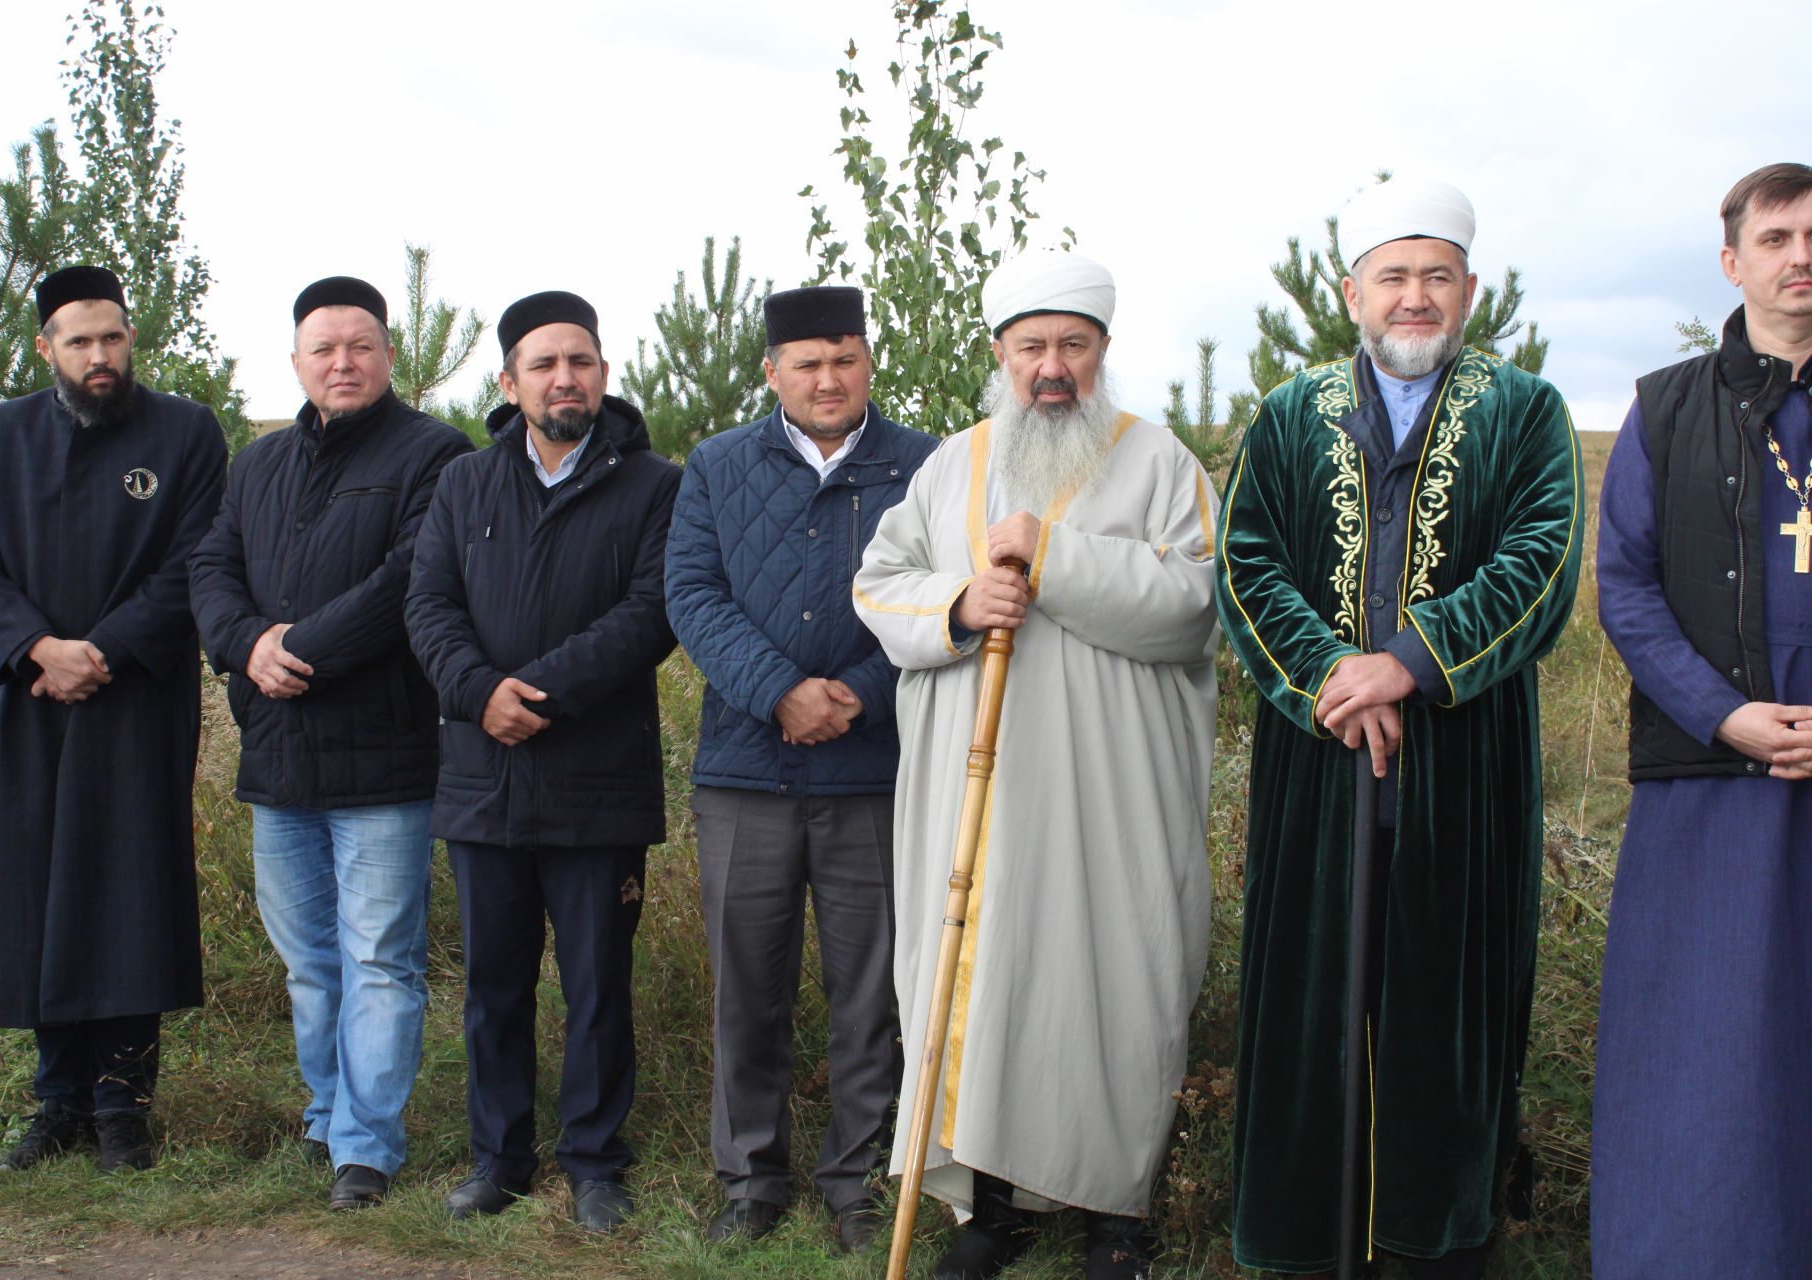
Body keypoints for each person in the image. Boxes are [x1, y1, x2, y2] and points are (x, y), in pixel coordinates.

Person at [1216, 178, 1584, 1278]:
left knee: (1443, 1007)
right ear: (1352, 292)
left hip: (1460, 763)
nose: (1415, 297)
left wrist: (1410, 664)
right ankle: (1303, 1241)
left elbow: (1542, 560)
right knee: (1310, 1002)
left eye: (1436, 277)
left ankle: (1433, 1242)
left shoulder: (1526, 412)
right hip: (1316, 760)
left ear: (1468, 289)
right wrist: (1334, 675)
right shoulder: (1290, 415)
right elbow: (1246, 564)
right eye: (1394, 276)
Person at [853, 250, 1219, 1280]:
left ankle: (1117, 1213)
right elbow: (880, 587)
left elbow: (1193, 605)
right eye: (1031, 347)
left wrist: (1051, 558)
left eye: (1073, 344)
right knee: (985, 976)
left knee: (1116, 978)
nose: (1051, 366)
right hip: (981, 794)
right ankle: (992, 1208)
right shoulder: (949, 467)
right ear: (1000, 355)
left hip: (1115, 800)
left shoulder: (1160, 463)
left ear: (1101, 351)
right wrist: (963, 603)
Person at [189, 276, 472, 1210]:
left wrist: (294, 648)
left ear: (389, 354)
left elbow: (409, 582)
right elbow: (213, 567)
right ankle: (326, 1112)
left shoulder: (435, 455)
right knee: (310, 962)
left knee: (382, 959)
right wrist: (245, 645)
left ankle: (366, 1144)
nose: (342, 362)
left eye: (360, 345)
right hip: (277, 756)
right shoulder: (257, 464)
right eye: (324, 348)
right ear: (298, 360)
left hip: (383, 757)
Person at [665, 285, 936, 1253]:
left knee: (873, 989)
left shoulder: (925, 466)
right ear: (773, 371)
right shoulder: (717, 466)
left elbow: (936, 594)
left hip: (872, 771)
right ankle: (751, 1178)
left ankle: (857, 1180)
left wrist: (857, 691)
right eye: (808, 363)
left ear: (870, 362)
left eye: (846, 358)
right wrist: (780, 689)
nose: (829, 378)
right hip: (747, 770)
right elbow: (692, 593)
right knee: (750, 984)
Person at [0, 265, 227, 1173]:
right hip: (25, 699)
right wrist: (36, 648)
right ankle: (56, 1099)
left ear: (130, 336)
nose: (99, 356)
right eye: (78, 341)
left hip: (134, 696)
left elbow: (195, 560)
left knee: (123, 895)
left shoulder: (184, 431)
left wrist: (100, 650)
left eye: (112, 337)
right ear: (45, 348)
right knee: (32, 896)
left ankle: (123, 1110)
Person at [405, 291, 680, 1231]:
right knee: (493, 985)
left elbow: (650, 614)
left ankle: (597, 1163)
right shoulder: (464, 485)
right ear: (510, 381)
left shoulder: (655, 486)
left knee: (598, 983)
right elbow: (427, 606)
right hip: (483, 779)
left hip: (598, 783)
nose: (566, 378)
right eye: (545, 364)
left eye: (583, 361)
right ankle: (499, 1160)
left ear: (603, 372)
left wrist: (540, 694)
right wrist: (479, 692)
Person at [1590, 162, 1812, 1279]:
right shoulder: (1667, 406)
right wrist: (1724, 715)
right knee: (1710, 1042)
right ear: (1733, 262)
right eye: (1775, 237)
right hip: (1712, 772)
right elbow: (1623, 582)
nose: (1800, 256)